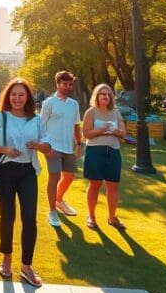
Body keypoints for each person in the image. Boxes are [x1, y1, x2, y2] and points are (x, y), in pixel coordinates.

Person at [0, 77, 51, 287]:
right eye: (14, 94)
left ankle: (26, 266)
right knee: (7, 217)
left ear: (28, 97)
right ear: (8, 97)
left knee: (30, 218)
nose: (18, 98)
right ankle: (6, 257)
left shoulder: (36, 120)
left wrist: (39, 145)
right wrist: (6, 150)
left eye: (22, 94)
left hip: (28, 171)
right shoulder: (0, 117)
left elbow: (48, 146)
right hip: (5, 171)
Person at [82, 84, 127, 231]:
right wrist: (101, 130)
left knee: (113, 186)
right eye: (102, 94)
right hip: (95, 152)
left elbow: (123, 132)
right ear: (96, 96)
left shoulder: (115, 112)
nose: (106, 97)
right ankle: (91, 217)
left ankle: (112, 218)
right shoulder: (91, 112)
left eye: (108, 95)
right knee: (95, 184)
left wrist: (116, 131)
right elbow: (86, 134)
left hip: (113, 151)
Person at [40, 71, 82, 227]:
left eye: (70, 84)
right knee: (54, 177)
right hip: (53, 147)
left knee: (69, 177)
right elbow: (41, 127)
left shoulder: (74, 104)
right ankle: (52, 211)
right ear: (58, 84)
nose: (68, 87)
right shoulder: (49, 103)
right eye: (65, 84)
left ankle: (58, 200)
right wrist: (46, 148)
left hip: (68, 147)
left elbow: (76, 126)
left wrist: (79, 145)